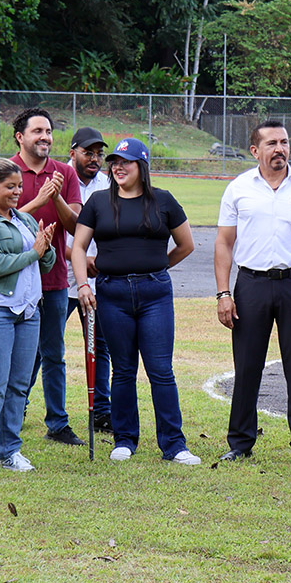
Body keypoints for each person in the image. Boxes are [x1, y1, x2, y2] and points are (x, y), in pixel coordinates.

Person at [71, 138, 200, 465]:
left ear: (141, 166)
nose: (118, 167)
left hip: (155, 295)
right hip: (111, 294)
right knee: (123, 370)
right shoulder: (99, 202)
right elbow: (78, 247)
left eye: (125, 162)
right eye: (114, 162)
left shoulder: (163, 200)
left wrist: (155, 267)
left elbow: (186, 244)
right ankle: (124, 439)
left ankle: (174, 444)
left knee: (160, 370)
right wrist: (83, 285)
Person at [214, 120, 291, 468]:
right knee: (246, 366)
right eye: (271, 143)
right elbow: (224, 243)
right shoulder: (238, 188)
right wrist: (223, 293)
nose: (280, 149)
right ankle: (240, 442)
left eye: (284, 142)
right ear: (255, 151)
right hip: (251, 284)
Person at [0, 158, 57, 478]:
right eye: (10, 187)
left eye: (19, 186)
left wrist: (46, 247)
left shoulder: (24, 219)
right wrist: (34, 252)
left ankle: (9, 451)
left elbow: (44, 263)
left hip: (27, 312)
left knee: (18, 385)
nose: (18, 192)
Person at [11, 108, 86, 446]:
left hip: (53, 280)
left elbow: (75, 227)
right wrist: (39, 200)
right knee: (18, 355)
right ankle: (12, 415)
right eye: (37, 131)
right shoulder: (6, 170)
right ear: (20, 137)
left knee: (54, 354)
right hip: (14, 279)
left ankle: (57, 423)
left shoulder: (64, 173)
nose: (45, 137)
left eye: (48, 132)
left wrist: (55, 197)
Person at [65, 127, 112, 433]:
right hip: (59, 277)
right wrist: (79, 258)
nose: (94, 159)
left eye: (99, 154)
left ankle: (102, 411)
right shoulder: (58, 178)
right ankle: (20, 404)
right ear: (73, 153)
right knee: (42, 348)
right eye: (88, 153)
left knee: (100, 346)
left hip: (96, 279)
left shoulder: (107, 184)